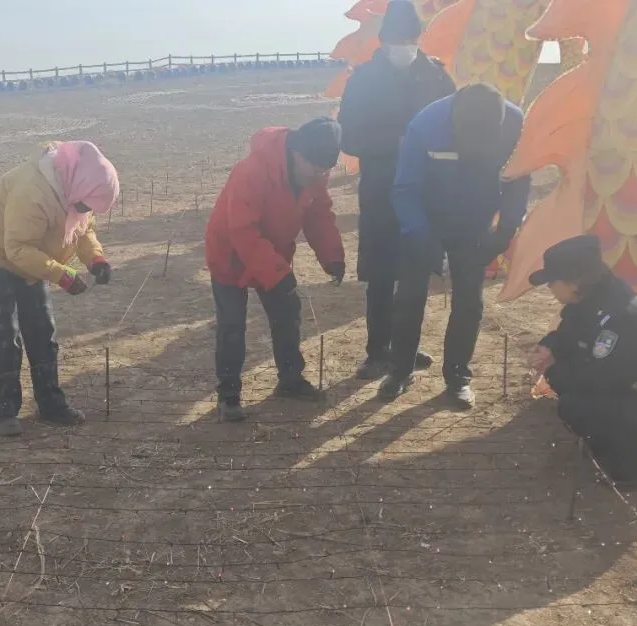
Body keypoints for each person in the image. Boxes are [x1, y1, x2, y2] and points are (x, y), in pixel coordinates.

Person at [379, 82, 533, 409]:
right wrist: (421, 236)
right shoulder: (425, 125)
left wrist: (506, 229)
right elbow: (406, 189)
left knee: (469, 302)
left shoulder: (515, 124)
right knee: (409, 297)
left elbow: (518, 180)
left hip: (474, 220)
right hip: (425, 217)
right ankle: (400, 370)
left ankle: (457, 377)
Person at [0, 140, 119, 436]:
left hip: (32, 257)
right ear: (78, 188)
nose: (86, 209)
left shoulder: (77, 188)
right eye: (86, 204)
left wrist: (96, 259)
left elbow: (83, 228)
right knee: (5, 336)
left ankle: (51, 404)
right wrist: (63, 275)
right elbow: (17, 248)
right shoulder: (33, 191)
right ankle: (4, 411)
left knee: (42, 332)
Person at [528, 235, 637, 491]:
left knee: (576, 406)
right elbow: (570, 332)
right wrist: (550, 347)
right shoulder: (595, 298)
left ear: (575, 282)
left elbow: (600, 380)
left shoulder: (623, 317)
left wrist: (553, 372)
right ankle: (611, 444)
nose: (549, 288)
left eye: (552, 282)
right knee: (578, 396)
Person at [337, 0, 456, 381]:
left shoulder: (437, 76)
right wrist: (397, 142)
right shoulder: (363, 80)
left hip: (425, 192)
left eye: (410, 40)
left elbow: (454, 125)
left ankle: (406, 347)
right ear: (384, 40)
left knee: (415, 274)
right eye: (397, 40)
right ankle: (377, 351)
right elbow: (349, 138)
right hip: (380, 191)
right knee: (381, 274)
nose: (404, 47)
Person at [205, 117, 346, 422]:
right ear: (297, 153)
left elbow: (319, 215)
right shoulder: (251, 172)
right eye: (315, 168)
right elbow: (242, 231)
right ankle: (228, 395)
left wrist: (332, 255)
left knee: (287, 310)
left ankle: (290, 380)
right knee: (232, 325)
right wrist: (276, 274)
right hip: (230, 253)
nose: (319, 175)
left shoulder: (314, 175)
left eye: (325, 170)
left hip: (273, 252)